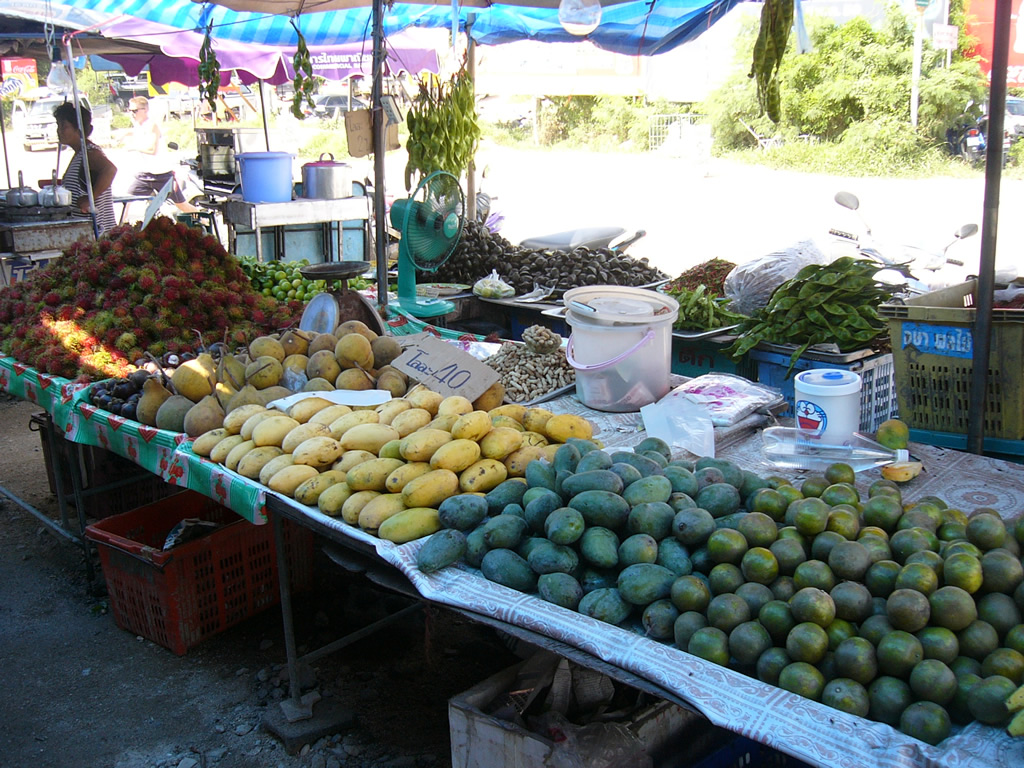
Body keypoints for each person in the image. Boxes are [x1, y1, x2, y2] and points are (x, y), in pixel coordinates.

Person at [53, 101, 117, 235]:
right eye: (58, 126)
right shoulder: (80, 154)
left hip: (96, 234)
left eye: (64, 126)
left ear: (78, 129)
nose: (59, 131)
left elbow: (110, 170)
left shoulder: (90, 153)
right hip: (84, 234)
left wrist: (90, 199)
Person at [125, 96, 195, 211]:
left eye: (134, 111)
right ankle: (120, 226)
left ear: (145, 110)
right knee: (126, 200)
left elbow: (152, 150)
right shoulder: (138, 125)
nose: (132, 114)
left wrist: (134, 148)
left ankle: (205, 220)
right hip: (144, 175)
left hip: (162, 174)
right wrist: (123, 135)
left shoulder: (152, 125)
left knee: (181, 205)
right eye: (130, 110)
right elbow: (135, 131)